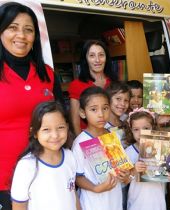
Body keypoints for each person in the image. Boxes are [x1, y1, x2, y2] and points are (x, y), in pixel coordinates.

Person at [0, 3, 64, 209]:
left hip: (47, 173)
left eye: (28, 30)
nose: (21, 35)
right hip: (4, 179)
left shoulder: (47, 74)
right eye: (13, 27)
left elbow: (61, 119)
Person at [11, 101, 80, 210]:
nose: (55, 135)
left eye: (60, 127)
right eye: (46, 129)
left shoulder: (69, 155)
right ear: (34, 133)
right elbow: (19, 206)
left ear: (67, 127)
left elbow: (72, 193)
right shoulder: (27, 165)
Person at [72, 86, 129, 210]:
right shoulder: (80, 142)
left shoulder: (113, 137)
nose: (101, 114)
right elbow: (78, 177)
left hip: (115, 200)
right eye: (94, 109)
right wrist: (95, 188)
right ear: (82, 113)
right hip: (94, 203)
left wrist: (126, 176)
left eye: (105, 108)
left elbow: (121, 168)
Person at [124, 108, 170, 210]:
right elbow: (124, 181)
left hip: (158, 202)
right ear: (131, 130)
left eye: (146, 128)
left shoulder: (163, 148)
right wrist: (134, 170)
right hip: (137, 203)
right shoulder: (128, 152)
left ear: (153, 128)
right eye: (136, 129)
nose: (141, 133)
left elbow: (169, 175)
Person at [68, 40, 117, 135]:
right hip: (89, 138)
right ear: (85, 59)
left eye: (101, 55)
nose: (97, 60)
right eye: (92, 55)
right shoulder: (77, 85)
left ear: (106, 58)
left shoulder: (114, 82)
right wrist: (81, 143)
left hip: (112, 136)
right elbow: (75, 121)